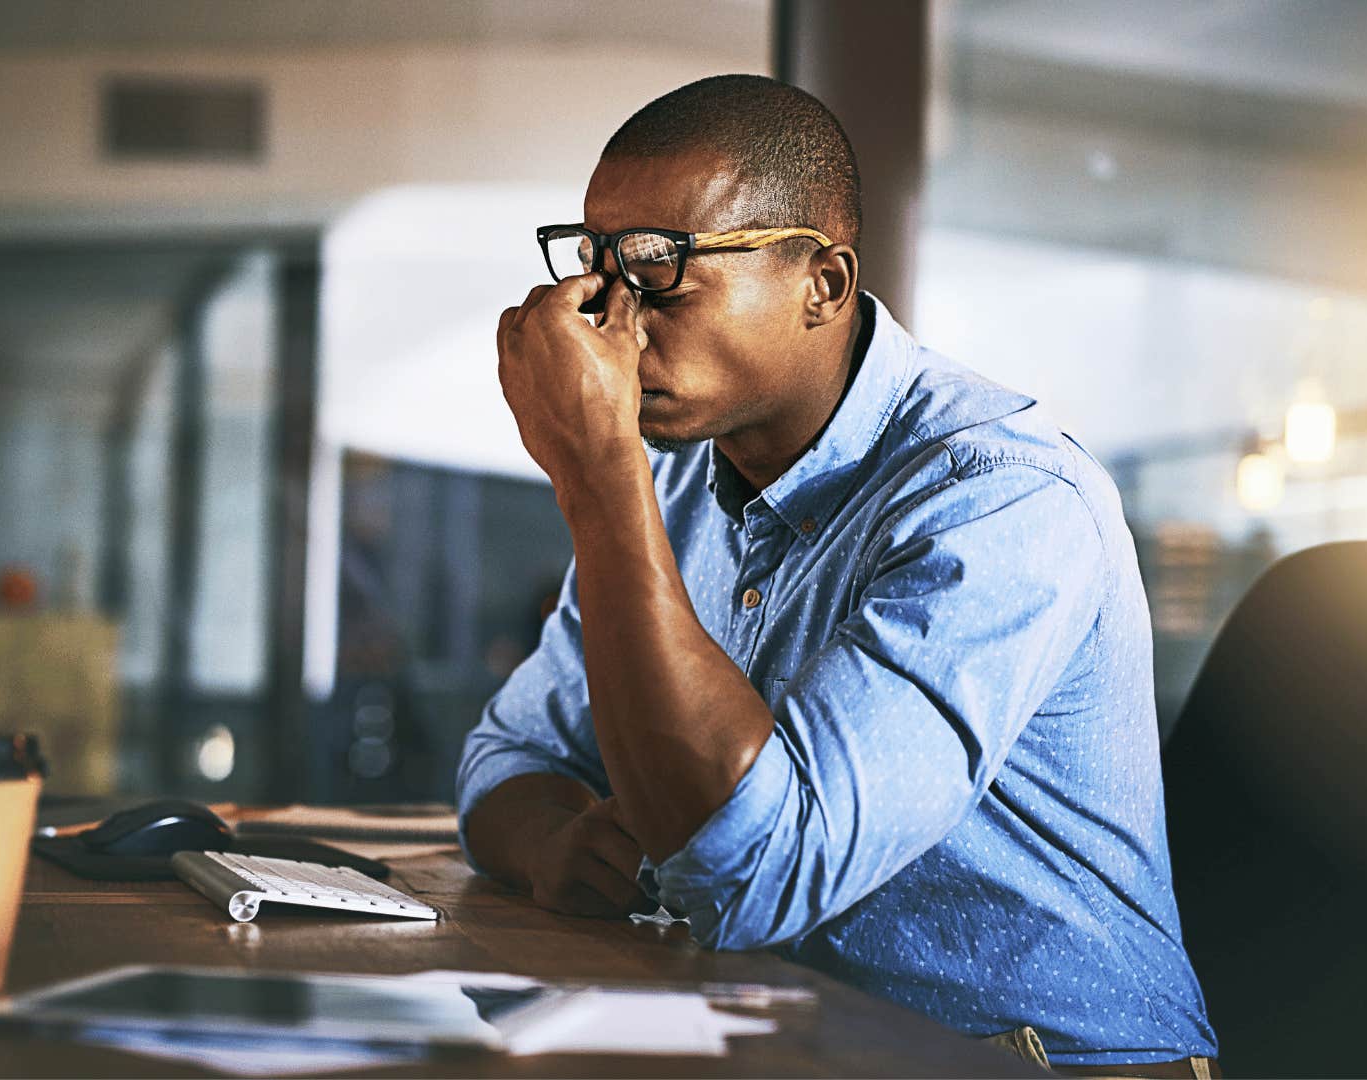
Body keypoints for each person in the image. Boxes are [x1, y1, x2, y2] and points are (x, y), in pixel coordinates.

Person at [457, 74, 1219, 1075]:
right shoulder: (684, 482)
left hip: (1039, 1062)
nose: (611, 322)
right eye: (596, 269)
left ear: (822, 283)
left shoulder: (1006, 502)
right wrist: (555, 846)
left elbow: (753, 872)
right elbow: (506, 755)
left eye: (660, 270)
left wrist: (597, 474)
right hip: (798, 1044)